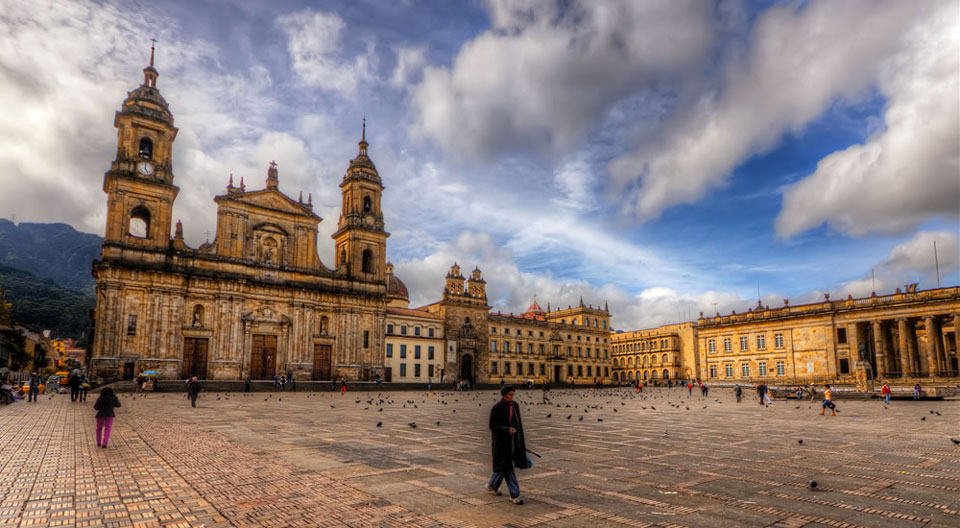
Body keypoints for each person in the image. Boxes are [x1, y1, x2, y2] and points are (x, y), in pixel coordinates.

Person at [486, 386, 530, 505]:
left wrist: (520, 439)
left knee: (502, 466)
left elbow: (518, 423)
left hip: (513, 441)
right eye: (509, 395)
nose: (511, 397)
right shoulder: (497, 408)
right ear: (504, 395)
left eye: (513, 395)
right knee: (507, 468)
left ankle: (492, 485)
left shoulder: (515, 406)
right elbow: (493, 425)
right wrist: (506, 430)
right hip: (501, 442)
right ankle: (514, 495)